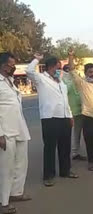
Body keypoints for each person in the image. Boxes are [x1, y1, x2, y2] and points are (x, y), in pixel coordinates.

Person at [26, 54, 78, 187]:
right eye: (58, 67)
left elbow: (65, 100)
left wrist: (70, 115)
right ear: (50, 67)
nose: (59, 70)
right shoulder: (41, 79)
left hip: (64, 117)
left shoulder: (60, 81)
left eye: (60, 68)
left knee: (65, 146)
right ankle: (48, 176)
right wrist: (37, 59)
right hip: (50, 118)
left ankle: (65, 171)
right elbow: (29, 71)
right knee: (50, 148)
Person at [0, 52, 31, 214]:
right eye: (11, 65)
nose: (14, 68)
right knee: (7, 168)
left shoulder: (10, 82)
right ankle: (3, 203)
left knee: (21, 163)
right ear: (3, 65)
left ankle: (16, 193)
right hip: (5, 132)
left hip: (20, 128)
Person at [62, 64, 86, 161]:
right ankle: (66, 154)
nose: (72, 72)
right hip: (69, 111)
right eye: (69, 70)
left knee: (78, 133)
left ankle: (75, 152)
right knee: (68, 133)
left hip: (81, 110)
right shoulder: (64, 81)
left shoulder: (79, 79)